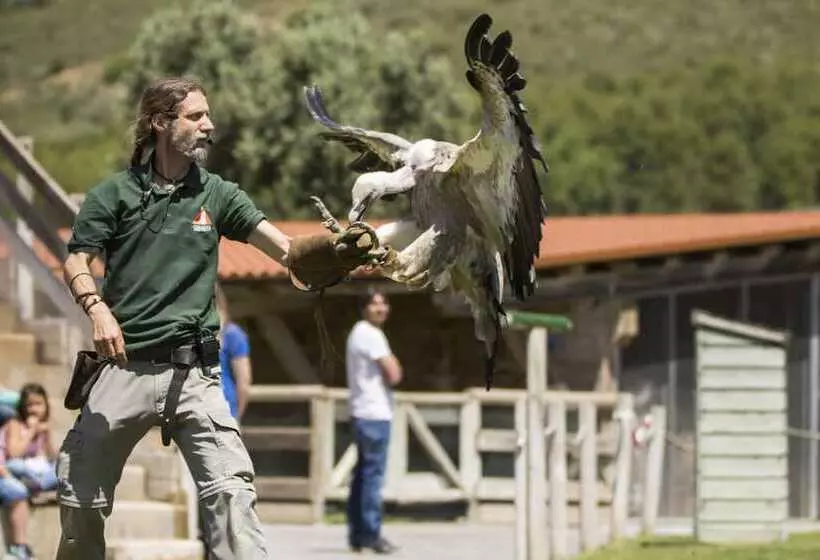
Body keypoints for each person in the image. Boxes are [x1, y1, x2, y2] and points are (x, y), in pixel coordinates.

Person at [58, 76, 377, 559]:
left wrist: (334, 252)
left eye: (208, 115)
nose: (209, 125)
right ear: (160, 122)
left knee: (232, 494)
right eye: (196, 116)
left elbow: (286, 251)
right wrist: (97, 309)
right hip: (123, 367)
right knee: (79, 495)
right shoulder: (114, 195)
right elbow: (76, 260)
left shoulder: (219, 195)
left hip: (195, 376)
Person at [345, 288, 403, 555]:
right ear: (364, 308)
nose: (381, 309)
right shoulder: (371, 334)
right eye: (375, 304)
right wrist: (395, 364)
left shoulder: (358, 333)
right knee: (372, 477)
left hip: (362, 411)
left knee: (362, 476)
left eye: (384, 303)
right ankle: (371, 534)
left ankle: (357, 534)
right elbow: (393, 373)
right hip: (374, 413)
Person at [0, 383, 59, 560]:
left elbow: (50, 457)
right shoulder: (14, 424)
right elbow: (13, 454)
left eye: (38, 404)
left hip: (33, 473)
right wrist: (31, 431)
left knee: (63, 466)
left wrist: (46, 436)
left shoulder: (43, 428)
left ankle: (36, 485)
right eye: (29, 405)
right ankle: (35, 486)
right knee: (17, 466)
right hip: (15, 469)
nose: (34, 409)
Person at [213, 284, 252, 422]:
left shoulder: (231, 334)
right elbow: (244, 379)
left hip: (215, 406)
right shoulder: (233, 333)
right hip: (225, 407)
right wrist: (237, 415)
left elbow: (244, 379)